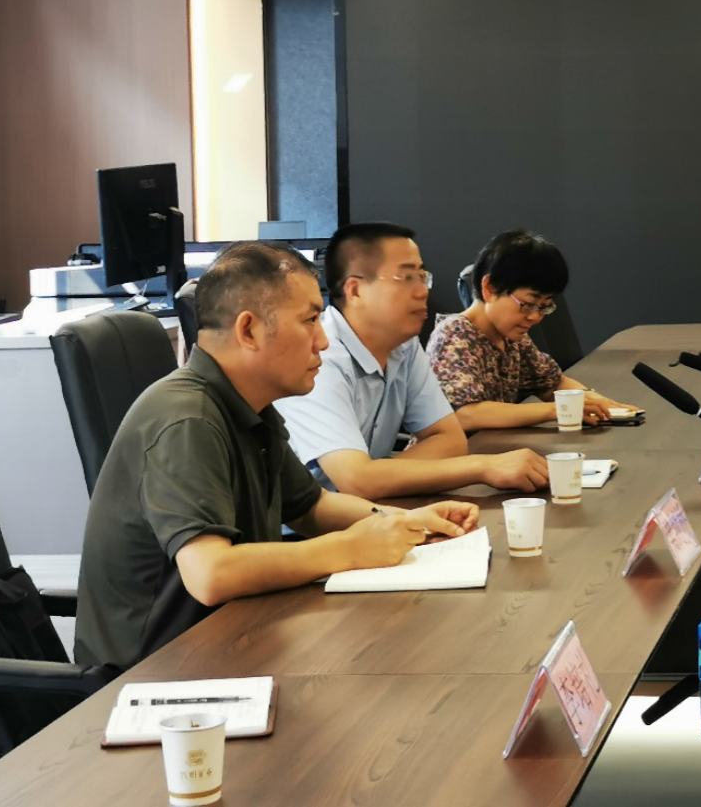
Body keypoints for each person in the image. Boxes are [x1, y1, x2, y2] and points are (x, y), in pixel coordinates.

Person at [74, 242, 480, 673]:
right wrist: (350, 548)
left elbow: (310, 507)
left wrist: (404, 522)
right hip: (155, 675)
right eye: (309, 320)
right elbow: (211, 574)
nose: (323, 341)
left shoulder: (249, 406)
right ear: (249, 330)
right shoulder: (187, 419)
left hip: (235, 640)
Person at [275, 222, 549, 499]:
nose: (422, 291)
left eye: (422, 277)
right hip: (303, 522)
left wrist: (380, 477)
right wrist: (484, 467)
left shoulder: (403, 345)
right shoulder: (319, 357)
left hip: (368, 508)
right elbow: (356, 481)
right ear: (355, 290)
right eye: (406, 278)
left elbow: (451, 440)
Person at [429, 229, 638, 432]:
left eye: (544, 307)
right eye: (528, 304)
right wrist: (559, 409)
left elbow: (553, 384)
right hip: (453, 453)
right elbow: (466, 415)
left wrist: (598, 402)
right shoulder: (455, 335)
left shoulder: (512, 338)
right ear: (490, 288)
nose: (536, 317)